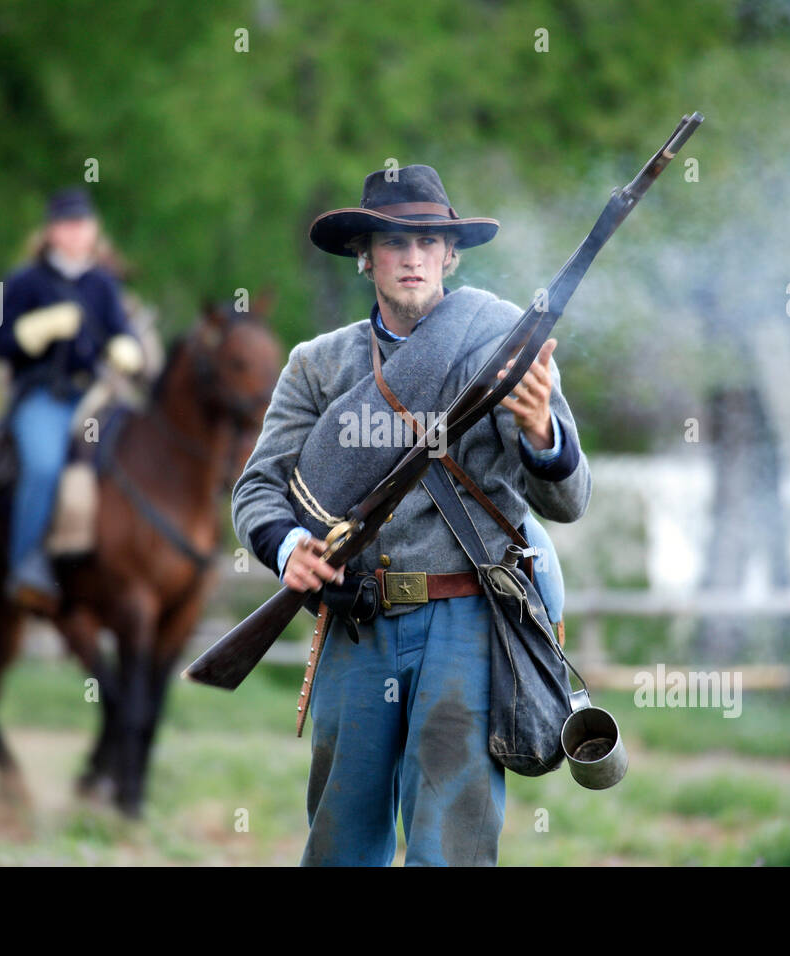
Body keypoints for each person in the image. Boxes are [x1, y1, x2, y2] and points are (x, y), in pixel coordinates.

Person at [232, 165, 590, 866]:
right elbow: (256, 492)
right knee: (341, 841)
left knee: (449, 843)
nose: (413, 257)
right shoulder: (317, 365)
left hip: (465, 619)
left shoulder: (505, 343)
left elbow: (568, 501)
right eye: (393, 242)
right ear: (364, 256)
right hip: (356, 622)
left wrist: (543, 431)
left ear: (451, 255)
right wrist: (289, 549)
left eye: (429, 241)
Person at [0, 189, 143, 610]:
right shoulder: (25, 281)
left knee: (136, 450)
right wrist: (33, 331)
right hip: (43, 396)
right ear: (53, 232)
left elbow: (118, 332)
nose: (78, 233)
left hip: (94, 395)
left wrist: (128, 346)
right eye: (69, 225)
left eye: (84, 225)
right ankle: (24, 565)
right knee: (43, 466)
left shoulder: (102, 284)